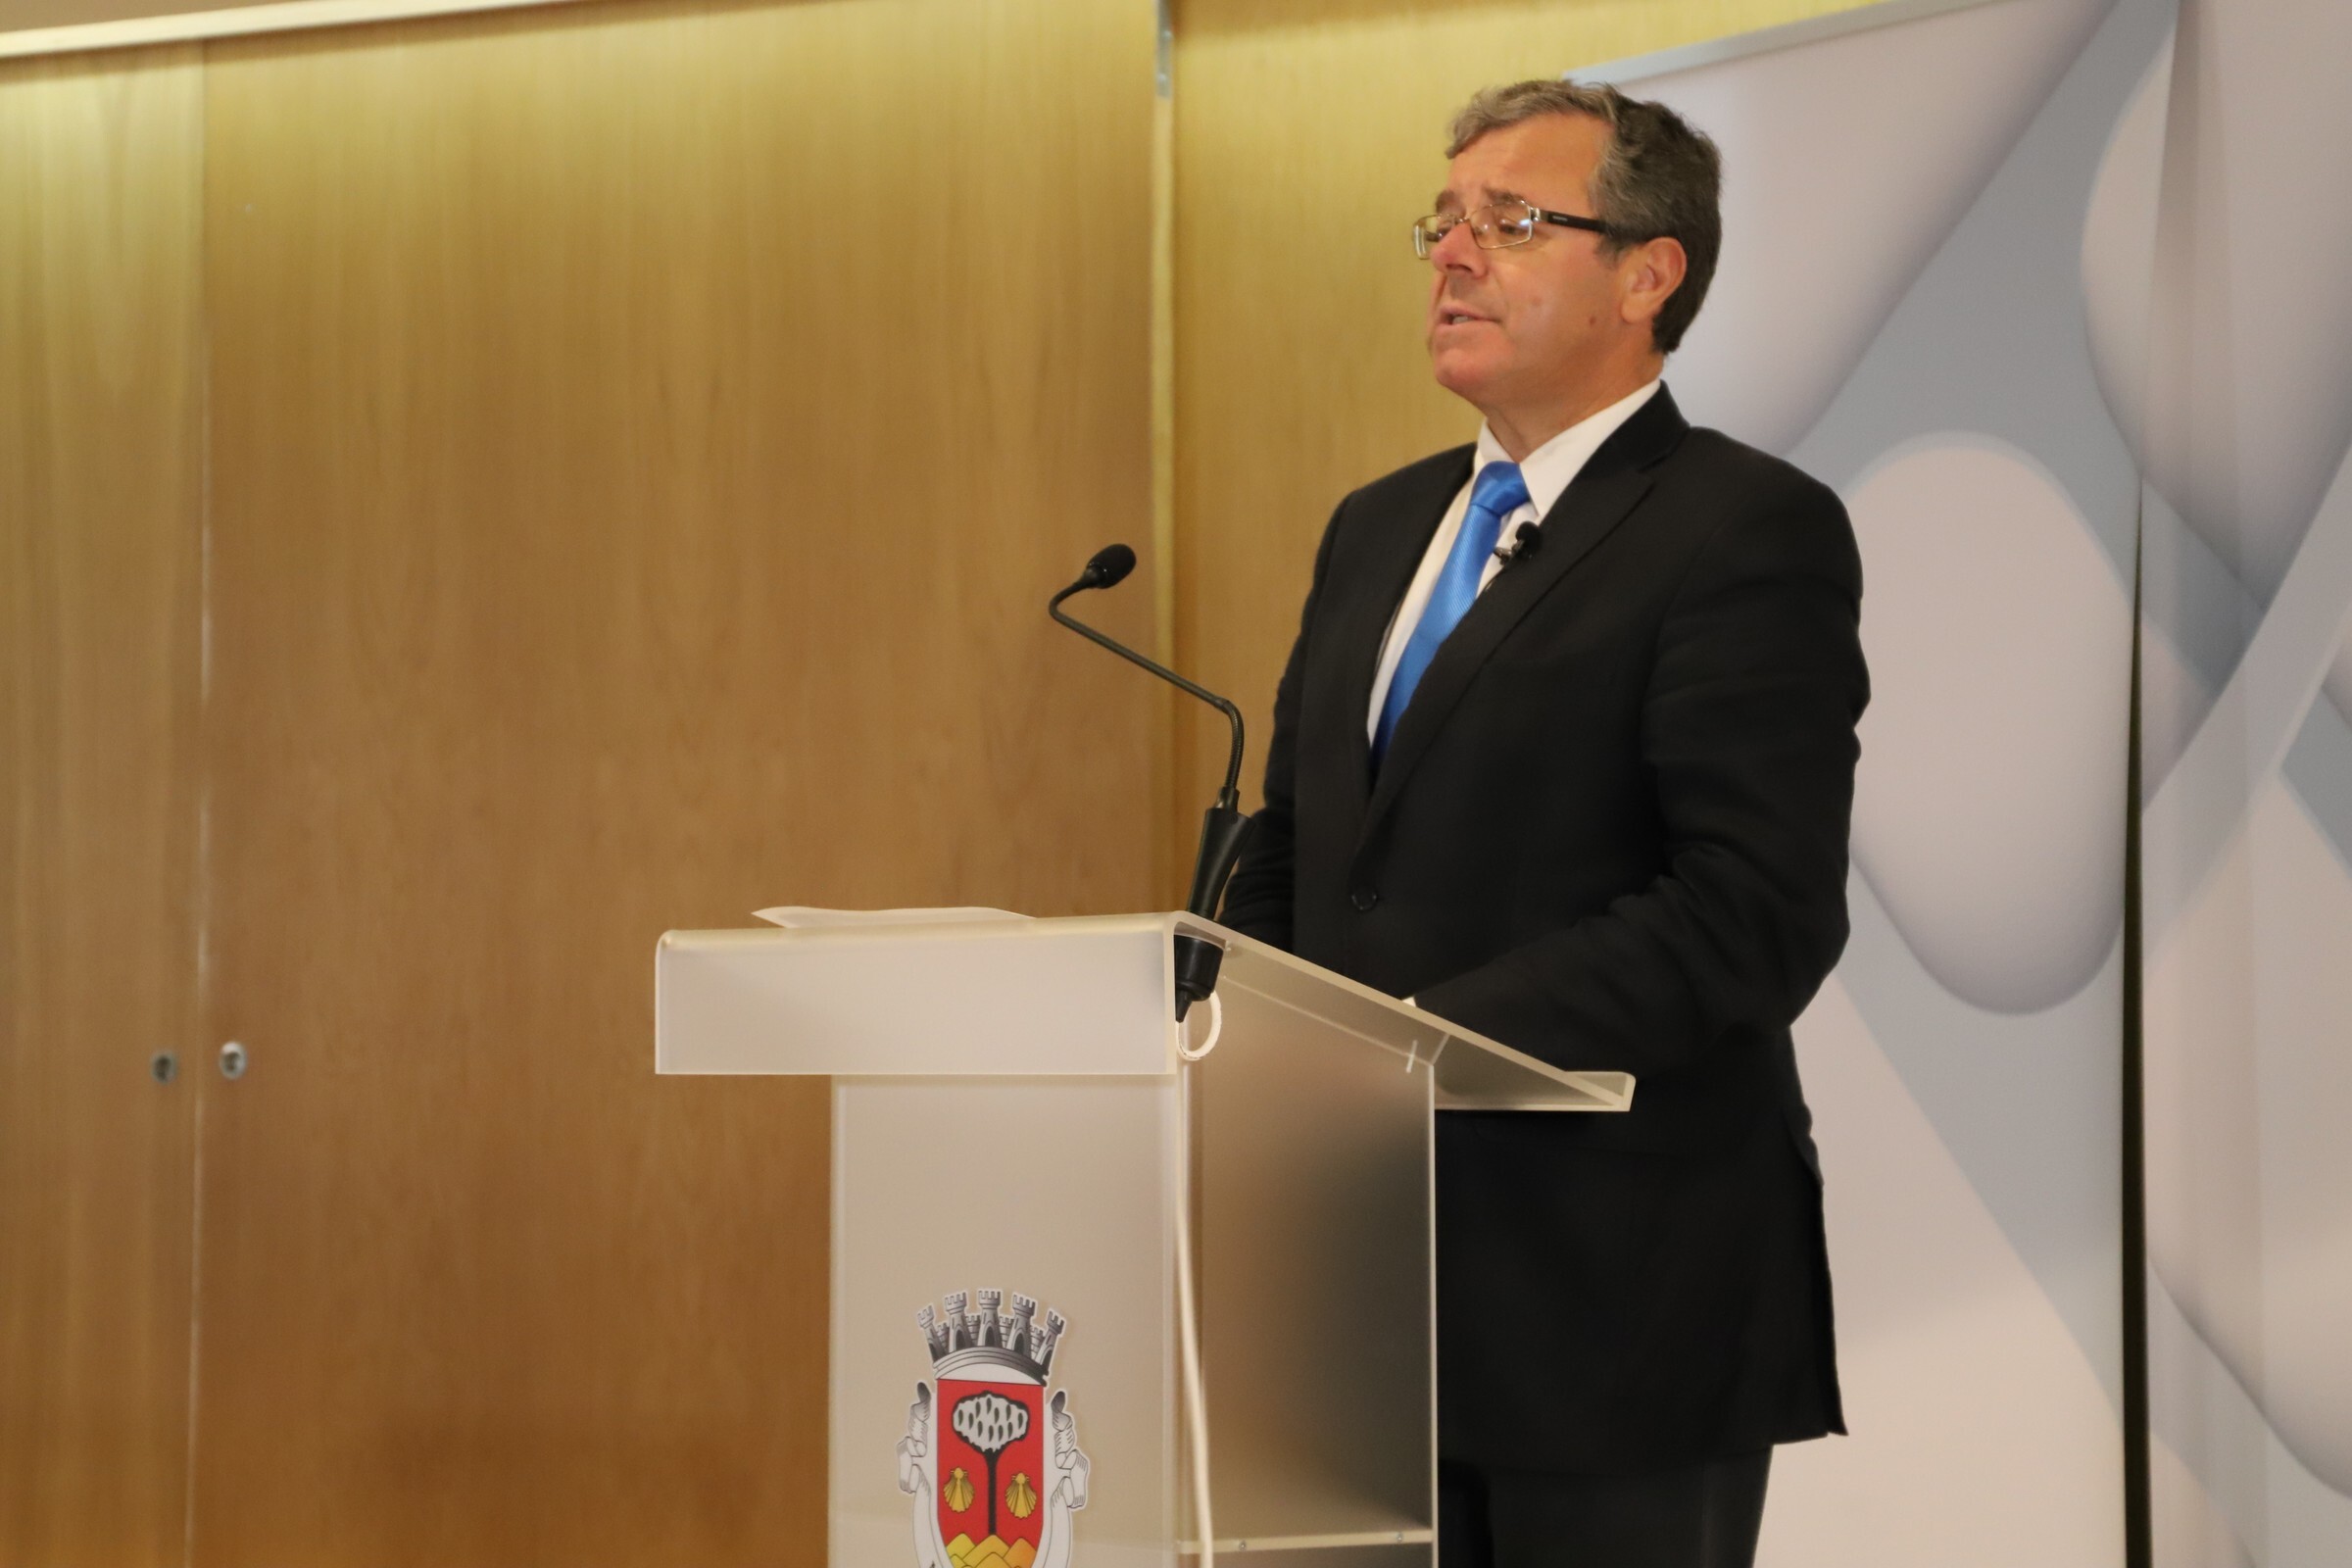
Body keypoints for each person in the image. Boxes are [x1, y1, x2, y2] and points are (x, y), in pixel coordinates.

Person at [1217, 79, 1868, 1568]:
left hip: (1616, 1304)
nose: (1452, 256)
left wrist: (1411, 1046)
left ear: (1648, 276)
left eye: (1509, 223)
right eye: (1443, 222)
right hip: (1350, 1295)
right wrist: (1240, 1035)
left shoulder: (1742, 527)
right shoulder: (1375, 528)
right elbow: (1299, 845)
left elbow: (1751, 910)